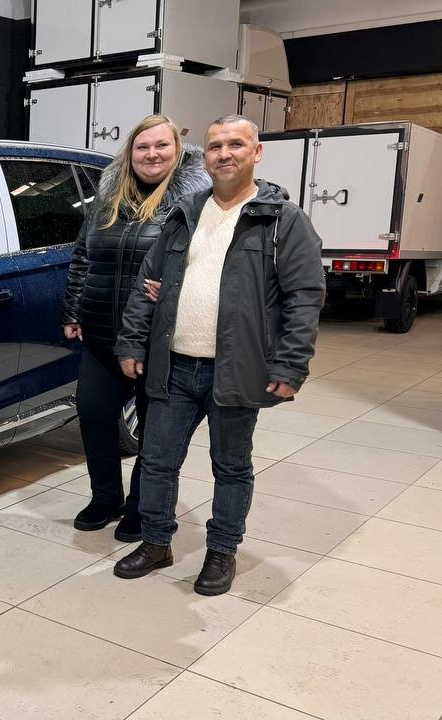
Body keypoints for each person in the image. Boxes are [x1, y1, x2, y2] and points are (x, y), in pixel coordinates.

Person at [111, 114, 325, 595]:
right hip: (173, 366)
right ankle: (156, 542)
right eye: (214, 146)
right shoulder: (184, 213)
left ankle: (222, 552)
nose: (224, 154)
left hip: (236, 369)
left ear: (256, 152)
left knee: (230, 467)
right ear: (203, 156)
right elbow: (147, 286)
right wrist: (132, 341)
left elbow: (304, 297)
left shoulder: (282, 220)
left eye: (235, 144)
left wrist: (291, 363)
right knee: (157, 461)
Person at [61, 114, 210, 542]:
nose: (152, 154)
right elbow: (83, 256)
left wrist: (179, 287)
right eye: (143, 147)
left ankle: (142, 507)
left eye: (162, 145)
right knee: (94, 417)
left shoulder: (193, 204)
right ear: (130, 153)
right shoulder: (107, 200)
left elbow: (209, 263)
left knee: (154, 431)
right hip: (100, 333)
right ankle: (105, 497)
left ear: (177, 151)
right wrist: (72, 311)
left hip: (156, 339)